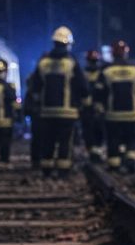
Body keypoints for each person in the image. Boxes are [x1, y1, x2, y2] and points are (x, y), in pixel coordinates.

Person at [27, 26, 89, 177]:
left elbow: (34, 86)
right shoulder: (72, 63)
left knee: (47, 140)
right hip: (68, 113)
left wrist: (36, 103)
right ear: (68, 43)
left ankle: (46, 169)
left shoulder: (43, 63)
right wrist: (84, 102)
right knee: (65, 142)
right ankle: (63, 170)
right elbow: (82, 86)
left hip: (47, 112)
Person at [97, 40, 135, 173]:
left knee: (113, 139)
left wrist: (99, 109)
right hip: (132, 115)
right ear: (126, 54)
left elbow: (99, 93)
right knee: (131, 139)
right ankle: (130, 162)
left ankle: (114, 165)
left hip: (112, 115)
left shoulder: (106, 71)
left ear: (113, 54)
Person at [81, 50, 105, 162]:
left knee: (95, 130)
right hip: (90, 107)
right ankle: (94, 152)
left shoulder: (101, 73)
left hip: (92, 107)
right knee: (91, 130)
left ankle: (95, 152)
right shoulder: (101, 73)